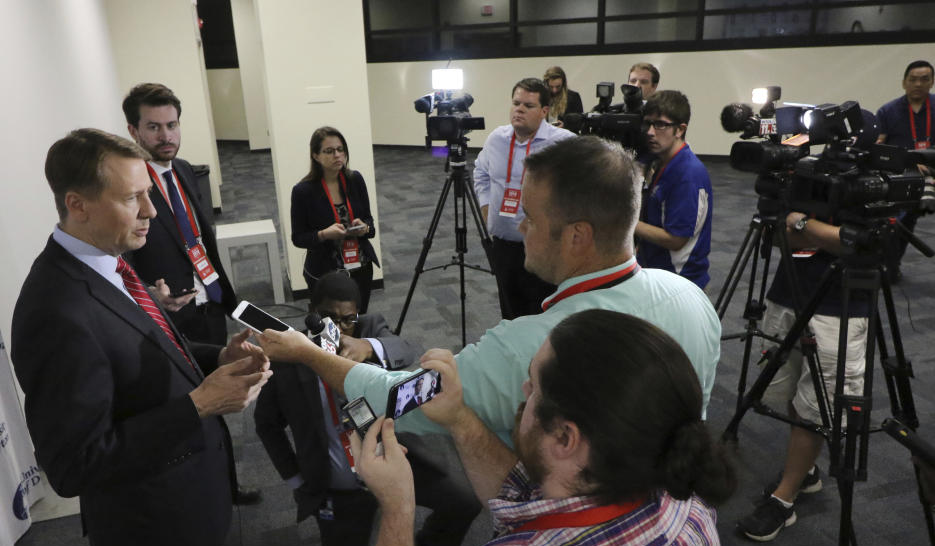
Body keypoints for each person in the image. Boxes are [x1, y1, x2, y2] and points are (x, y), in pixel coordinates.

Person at [258, 136, 722, 454]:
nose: (519, 228)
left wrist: (310, 354)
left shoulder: (532, 347)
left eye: (531, 220)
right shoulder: (694, 300)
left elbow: (395, 398)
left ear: (578, 236)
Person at [10, 129, 272, 546]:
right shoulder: (55, 311)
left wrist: (215, 358)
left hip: (184, 509)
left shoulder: (108, 262)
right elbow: (73, 465)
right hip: (152, 534)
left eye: (149, 192)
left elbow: (143, 353)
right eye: (134, 197)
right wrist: (200, 404)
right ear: (77, 205)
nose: (152, 210)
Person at [345, 309, 736, 546]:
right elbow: (534, 499)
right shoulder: (692, 509)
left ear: (565, 438)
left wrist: (397, 507)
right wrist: (458, 418)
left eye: (533, 384)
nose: (524, 391)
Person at [254, 273, 480, 546]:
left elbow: (406, 348)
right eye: (327, 317)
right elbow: (266, 425)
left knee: (465, 502)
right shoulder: (289, 358)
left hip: (398, 461)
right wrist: (297, 480)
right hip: (340, 485)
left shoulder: (369, 331)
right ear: (311, 311)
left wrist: (368, 346)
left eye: (347, 319)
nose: (336, 328)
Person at [123, 82, 261, 506]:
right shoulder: (128, 184)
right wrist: (144, 293)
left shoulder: (183, 169)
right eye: (154, 127)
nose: (166, 136)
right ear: (134, 131)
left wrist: (224, 295)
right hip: (165, 316)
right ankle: (198, 504)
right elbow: (117, 249)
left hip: (206, 306)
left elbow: (199, 239)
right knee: (183, 412)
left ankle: (226, 486)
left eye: (172, 125)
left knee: (217, 395)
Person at [737, 211, 870, 542]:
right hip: (789, 292)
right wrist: (828, 235)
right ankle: (806, 471)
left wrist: (805, 225)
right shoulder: (820, 169)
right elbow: (782, 235)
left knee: (817, 404)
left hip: (842, 306)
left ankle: (784, 501)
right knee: (795, 392)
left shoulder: (885, 173)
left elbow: (863, 244)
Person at [473, 77, 574, 320]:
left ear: (544, 111)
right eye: (516, 103)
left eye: (528, 106)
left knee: (542, 315)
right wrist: (486, 208)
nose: (519, 109)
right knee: (510, 312)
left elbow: (581, 187)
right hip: (504, 243)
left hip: (542, 246)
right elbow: (481, 172)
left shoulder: (562, 143)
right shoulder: (497, 139)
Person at [291, 126, 379, 313]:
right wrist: (323, 234)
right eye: (329, 151)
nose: (337, 155)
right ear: (315, 156)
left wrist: (365, 228)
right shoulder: (303, 192)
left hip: (360, 268)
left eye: (340, 149)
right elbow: (298, 238)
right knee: (329, 331)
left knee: (357, 323)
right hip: (325, 273)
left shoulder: (355, 179)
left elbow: (370, 222)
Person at [635, 90, 713, 289]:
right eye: (648, 124)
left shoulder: (687, 174)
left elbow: (676, 239)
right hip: (657, 273)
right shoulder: (661, 161)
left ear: (680, 130)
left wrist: (625, 222)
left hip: (679, 282)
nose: (650, 132)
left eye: (660, 124)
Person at [875, 60, 935, 281]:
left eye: (924, 79)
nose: (918, 84)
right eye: (913, 79)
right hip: (901, 175)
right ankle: (890, 266)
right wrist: (907, 161)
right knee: (897, 222)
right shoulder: (888, 111)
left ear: (932, 82)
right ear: (904, 83)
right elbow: (879, 146)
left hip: (932, 174)